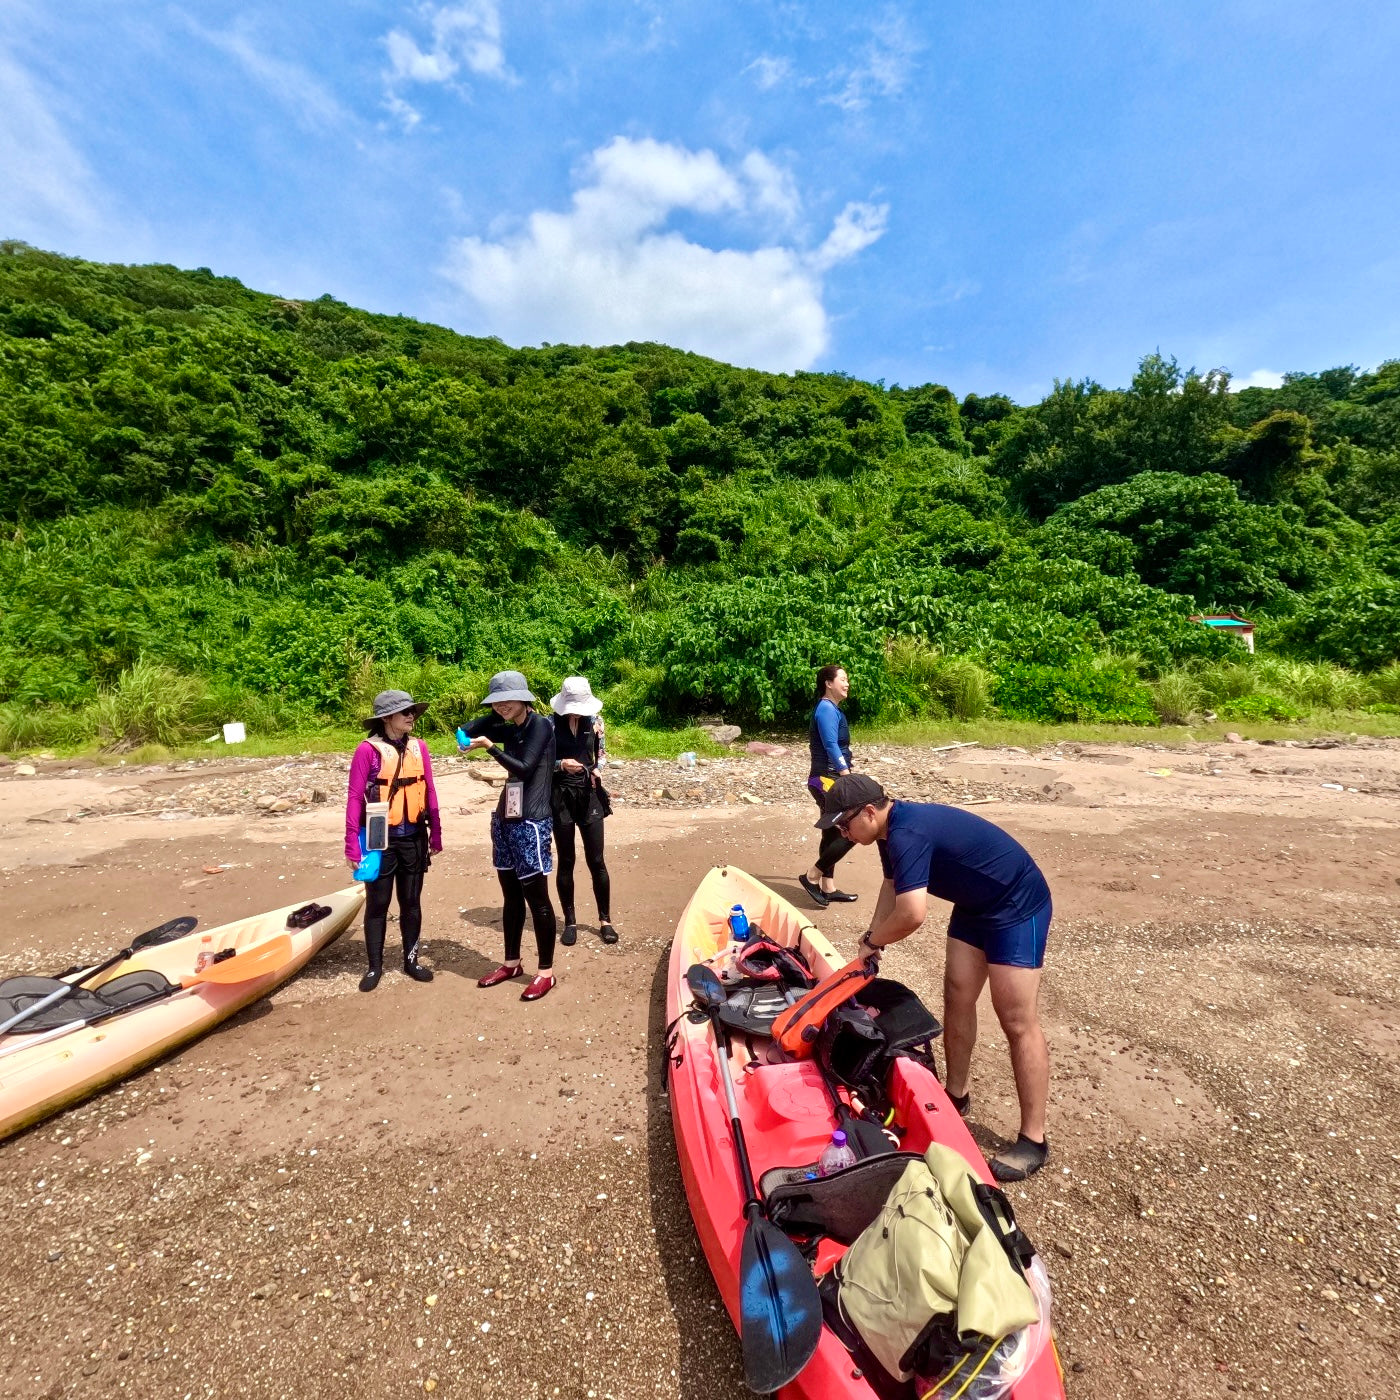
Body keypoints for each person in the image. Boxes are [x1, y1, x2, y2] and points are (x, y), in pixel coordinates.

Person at [816, 774, 1053, 1182]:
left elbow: (912, 914)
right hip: (974, 907)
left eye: (843, 824)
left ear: (869, 812)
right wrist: (870, 944)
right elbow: (892, 890)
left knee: (1015, 1019)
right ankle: (956, 1096)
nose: (842, 833)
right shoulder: (888, 833)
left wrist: (877, 937)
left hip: (1016, 905)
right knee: (958, 995)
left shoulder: (908, 832)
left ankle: (1034, 1139)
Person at [458, 671, 559, 1002]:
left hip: (531, 821)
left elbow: (526, 768)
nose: (501, 706)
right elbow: (467, 730)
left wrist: (489, 747)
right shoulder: (506, 725)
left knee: (537, 899)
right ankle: (511, 963)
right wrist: (494, 713)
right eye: (495, 701)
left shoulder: (541, 725)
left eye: (508, 699)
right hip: (504, 819)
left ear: (525, 699)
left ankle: (545, 973)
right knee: (511, 896)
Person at [344, 690, 442, 992]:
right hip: (379, 839)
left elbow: (430, 792)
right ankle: (375, 967)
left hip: (413, 837)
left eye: (412, 711)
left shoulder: (419, 748)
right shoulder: (367, 751)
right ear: (386, 718)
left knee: (411, 902)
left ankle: (411, 961)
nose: (411, 716)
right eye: (404, 712)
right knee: (378, 903)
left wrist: (435, 831)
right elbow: (353, 796)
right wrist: (351, 842)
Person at [549, 676, 617, 947]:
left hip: (589, 793)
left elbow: (600, 754)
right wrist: (560, 764)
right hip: (560, 795)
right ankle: (570, 921)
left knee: (597, 860)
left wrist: (597, 770)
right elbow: (541, 760)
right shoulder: (549, 723)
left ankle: (605, 920)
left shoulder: (597, 722)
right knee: (566, 859)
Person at [798, 664, 859, 908]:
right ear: (828, 682)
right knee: (853, 829)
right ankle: (811, 877)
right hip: (826, 780)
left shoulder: (832, 709)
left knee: (832, 831)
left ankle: (828, 887)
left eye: (847, 679)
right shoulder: (825, 709)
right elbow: (831, 745)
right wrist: (846, 774)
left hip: (828, 778)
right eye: (842, 679)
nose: (847, 683)